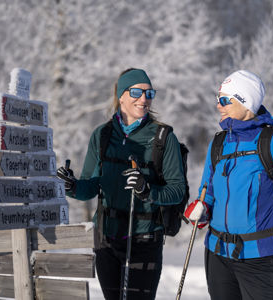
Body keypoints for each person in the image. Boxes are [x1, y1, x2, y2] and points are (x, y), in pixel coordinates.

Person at [184, 70, 273, 300]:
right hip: (218, 255)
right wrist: (201, 211)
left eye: (224, 100)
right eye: (218, 99)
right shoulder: (219, 143)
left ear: (245, 102)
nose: (219, 106)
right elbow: (208, 191)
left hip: (261, 258)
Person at [57, 68, 185, 300]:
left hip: (145, 240)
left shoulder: (163, 138)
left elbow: (177, 190)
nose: (144, 99)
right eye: (136, 92)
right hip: (106, 239)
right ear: (121, 95)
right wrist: (71, 186)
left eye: (149, 93)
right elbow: (90, 186)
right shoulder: (102, 135)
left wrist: (148, 190)